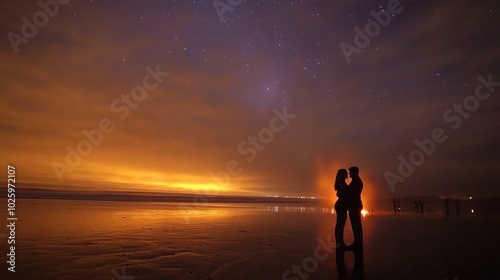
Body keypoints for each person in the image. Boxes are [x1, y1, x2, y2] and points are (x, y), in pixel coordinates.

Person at [347, 166, 364, 273]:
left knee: (356, 225)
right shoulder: (356, 181)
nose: (349, 174)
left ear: (354, 172)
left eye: (350, 172)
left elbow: (352, 194)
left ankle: (357, 243)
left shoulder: (356, 182)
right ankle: (357, 242)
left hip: (355, 206)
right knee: (356, 225)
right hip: (355, 205)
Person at [334, 169, 349, 272]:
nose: (347, 174)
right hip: (341, 205)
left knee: (340, 224)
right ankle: (339, 241)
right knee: (340, 224)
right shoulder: (342, 183)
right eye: (345, 173)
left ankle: (339, 241)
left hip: (341, 205)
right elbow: (341, 194)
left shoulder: (341, 183)